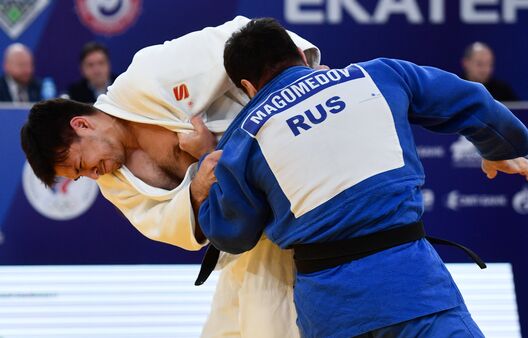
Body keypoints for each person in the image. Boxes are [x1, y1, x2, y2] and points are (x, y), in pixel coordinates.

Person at [198, 18, 528, 338]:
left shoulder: (243, 140)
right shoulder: (378, 75)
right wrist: (500, 147)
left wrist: (201, 184)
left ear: (247, 86)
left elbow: (232, 234)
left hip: (332, 312)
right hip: (414, 289)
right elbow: (471, 101)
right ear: (302, 55)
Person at [20, 16, 319, 338]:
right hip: (244, 239)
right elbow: (165, 224)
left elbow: (242, 33)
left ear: (82, 125)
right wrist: (197, 189)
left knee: (269, 324)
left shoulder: (148, 77)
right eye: (80, 177)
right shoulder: (113, 180)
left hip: (288, 195)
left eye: (81, 165)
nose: (91, 175)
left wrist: (308, 79)